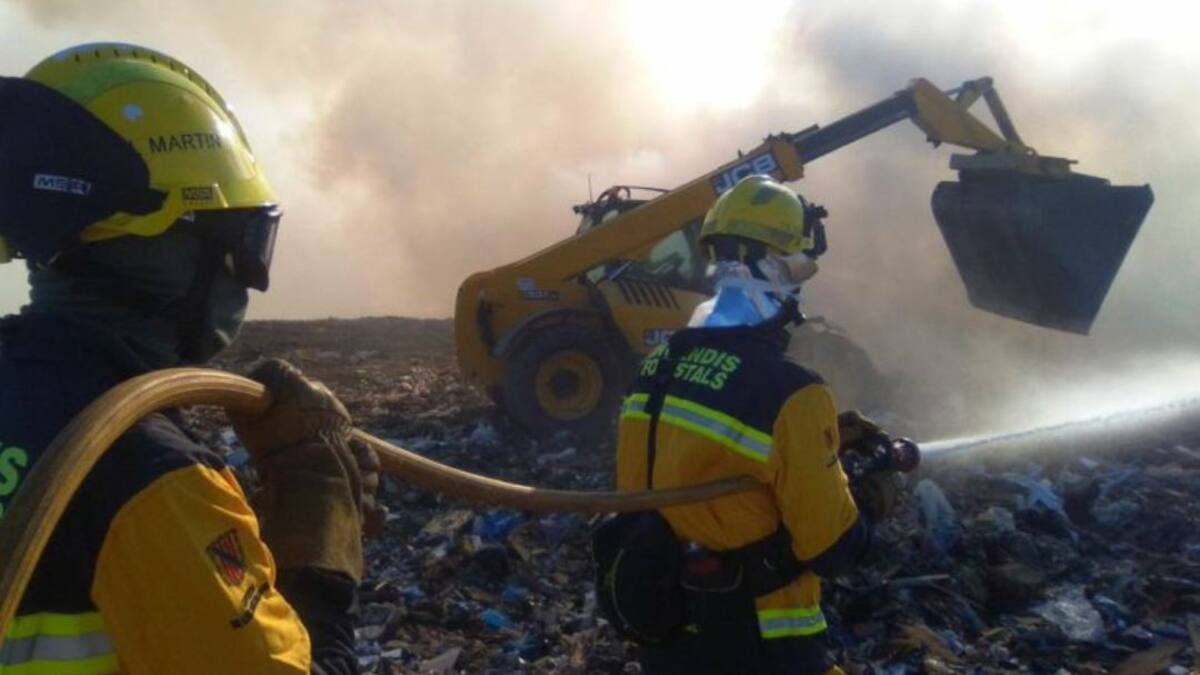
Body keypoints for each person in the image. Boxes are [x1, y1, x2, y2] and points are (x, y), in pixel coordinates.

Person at [0, 43, 380, 674]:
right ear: (168, 247)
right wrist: (320, 565)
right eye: (247, 243)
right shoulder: (143, 474)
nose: (249, 281)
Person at [613, 175, 898, 674]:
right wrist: (871, 495)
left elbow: (680, 486)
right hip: (763, 643)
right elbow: (831, 551)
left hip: (668, 636)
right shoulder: (791, 392)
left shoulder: (658, 365)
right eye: (798, 272)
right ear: (778, 269)